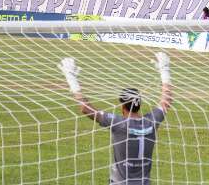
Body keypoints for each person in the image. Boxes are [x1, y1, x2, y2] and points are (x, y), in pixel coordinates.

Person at [59, 53, 173, 185]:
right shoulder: (152, 121)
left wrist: (71, 78)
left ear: (122, 105)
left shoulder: (119, 123)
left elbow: (85, 108)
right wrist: (165, 70)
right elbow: (166, 100)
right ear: (139, 104)